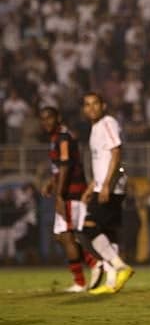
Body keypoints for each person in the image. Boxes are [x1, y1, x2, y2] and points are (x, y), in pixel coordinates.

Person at [38, 106, 103, 292]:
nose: (46, 122)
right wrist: (51, 183)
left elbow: (66, 166)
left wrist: (59, 195)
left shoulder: (63, 137)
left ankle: (87, 272)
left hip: (70, 193)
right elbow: (59, 168)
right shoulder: (56, 137)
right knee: (62, 236)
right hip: (66, 191)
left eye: (49, 118)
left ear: (58, 117)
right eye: (43, 119)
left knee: (68, 235)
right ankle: (90, 269)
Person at [81, 92, 134, 294]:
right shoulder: (95, 128)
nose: (91, 108)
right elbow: (100, 163)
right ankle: (112, 282)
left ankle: (120, 266)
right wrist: (91, 187)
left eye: (95, 103)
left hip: (111, 186)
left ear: (103, 105)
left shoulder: (108, 122)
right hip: (102, 184)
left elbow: (116, 152)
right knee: (109, 232)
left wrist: (105, 185)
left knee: (87, 225)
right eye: (87, 104)